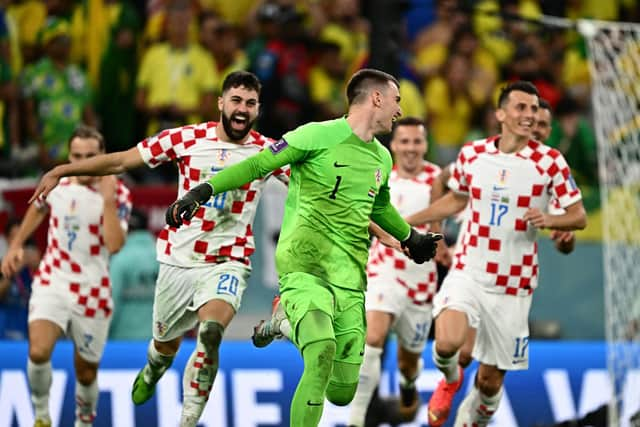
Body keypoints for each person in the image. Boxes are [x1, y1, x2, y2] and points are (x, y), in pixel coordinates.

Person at [164, 68, 443, 427]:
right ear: (376, 98)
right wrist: (202, 191)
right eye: (396, 100)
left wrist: (410, 237)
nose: (399, 110)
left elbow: (379, 207)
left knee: (342, 392)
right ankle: (292, 318)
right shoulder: (315, 135)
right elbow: (257, 164)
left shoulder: (381, 157)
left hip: (350, 278)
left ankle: (282, 324)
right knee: (320, 351)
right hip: (303, 267)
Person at [29, 71, 289, 427]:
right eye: (236, 101)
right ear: (221, 103)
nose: (242, 109)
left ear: (258, 109)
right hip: (179, 261)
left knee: (211, 332)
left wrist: (375, 225)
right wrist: (62, 170)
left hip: (229, 259)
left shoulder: (267, 151)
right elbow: (121, 161)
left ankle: (188, 419)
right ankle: (153, 368)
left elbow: (314, 185)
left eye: (250, 103)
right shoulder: (186, 138)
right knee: (165, 346)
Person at [404, 81, 586, 426]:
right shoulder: (474, 153)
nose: (530, 116)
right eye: (522, 108)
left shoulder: (550, 163)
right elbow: (452, 192)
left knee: (489, 381)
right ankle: (451, 379)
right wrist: (412, 225)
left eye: (535, 110)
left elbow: (576, 218)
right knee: (448, 344)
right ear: (500, 114)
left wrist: (552, 224)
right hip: (469, 269)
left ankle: (474, 416)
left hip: (513, 283)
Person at [1, 125, 131, 427]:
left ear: (102, 155)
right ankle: (42, 415)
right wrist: (17, 245)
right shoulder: (57, 182)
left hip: (93, 291)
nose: (82, 162)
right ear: (69, 156)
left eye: (90, 156)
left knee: (86, 372)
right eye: (76, 156)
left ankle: (84, 419)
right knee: (38, 350)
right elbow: (37, 208)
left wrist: (108, 201)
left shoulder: (119, 192)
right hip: (53, 280)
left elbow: (114, 245)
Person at [347, 116, 443, 427]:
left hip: (422, 280)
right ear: (394, 144)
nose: (411, 148)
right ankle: (355, 419)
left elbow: (460, 212)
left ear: (425, 145)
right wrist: (385, 238)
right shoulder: (380, 174)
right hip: (383, 269)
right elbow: (360, 214)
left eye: (417, 141)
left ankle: (408, 383)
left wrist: (451, 249)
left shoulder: (438, 179)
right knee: (372, 337)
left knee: (408, 361)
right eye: (405, 141)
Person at [108, 208, 158, 340]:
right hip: (160, 345)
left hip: (122, 344)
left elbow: (110, 303)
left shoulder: (120, 259)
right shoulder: (164, 257)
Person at [0, 218, 41, 340]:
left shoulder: (33, 264)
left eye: (21, 237)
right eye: (14, 237)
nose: (18, 243)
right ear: (7, 239)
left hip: (31, 325)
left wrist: (39, 267)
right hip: (6, 327)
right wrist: (12, 272)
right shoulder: (2, 265)